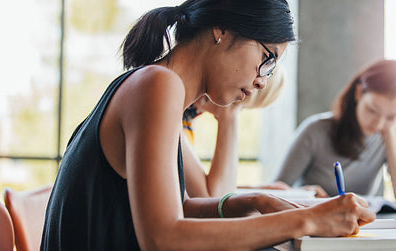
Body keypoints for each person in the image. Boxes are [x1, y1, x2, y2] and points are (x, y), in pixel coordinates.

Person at [40, 1, 375, 250]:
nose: (261, 82)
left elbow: (180, 206)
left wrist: (255, 201)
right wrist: (307, 218)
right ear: (221, 29)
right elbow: (163, 237)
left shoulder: (156, 85)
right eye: (267, 59)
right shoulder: (157, 84)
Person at [274, 59, 396, 204]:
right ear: (358, 93)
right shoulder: (316, 131)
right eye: (372, 110)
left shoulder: (392, 135)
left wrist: (389, 135)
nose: (378, 123)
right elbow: (274, 192)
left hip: (360, 224)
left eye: (391, 116)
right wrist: (302, 195)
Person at [182, 65, 288, 197]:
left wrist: (250, 190)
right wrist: (228, 115)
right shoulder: (176, 113)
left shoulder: (188, 116)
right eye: (240, 106)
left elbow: (185, 187)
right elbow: (216, 198)